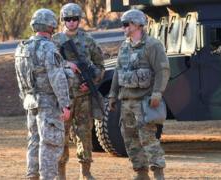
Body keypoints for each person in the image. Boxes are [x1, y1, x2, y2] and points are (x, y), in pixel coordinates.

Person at [108, 9, 170, 180]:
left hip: (145, 102)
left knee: (148, 138)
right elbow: (117, 72)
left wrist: (157, 93)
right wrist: (112, 95)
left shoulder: (152, 45)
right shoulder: (124, 46)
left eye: (126, 24)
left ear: (136, 24)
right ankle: (141, 174)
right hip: (126, 101)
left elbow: (162, 70)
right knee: (130, 139)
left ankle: (158, 174)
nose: (123, 28)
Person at [14, 8, 71, 180]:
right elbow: (57, 78)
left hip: (31, 101)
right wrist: (65, 104)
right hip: (48, 103)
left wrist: (26, 97)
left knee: (34, 141)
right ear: (51, 25)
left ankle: (32, 175)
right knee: (50, 143)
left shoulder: (21, 48)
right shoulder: (48, 48)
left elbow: (19, 77)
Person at [52, 3, 105, 180]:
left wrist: (91, 83)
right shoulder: (55, 41)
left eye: (75, 19)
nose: (72, 22)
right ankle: (61, 174)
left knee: (84, 133)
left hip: (83, 97)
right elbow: (49, 66)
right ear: (63, 20)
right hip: (63, 97)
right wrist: (68, 64)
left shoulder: (88, 40)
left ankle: (86, 172)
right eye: (68, 19)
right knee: (62, 135)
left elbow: (100, 66)